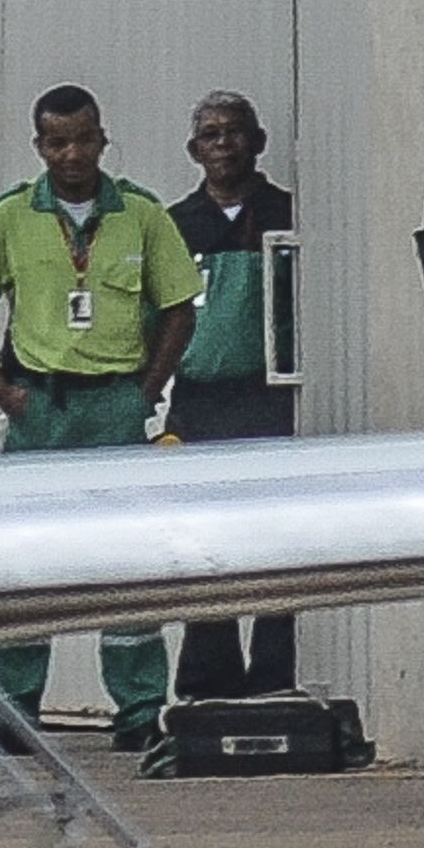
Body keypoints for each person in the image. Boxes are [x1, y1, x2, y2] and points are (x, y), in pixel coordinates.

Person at [0, 84, 201, 758]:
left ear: (102, 139)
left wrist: (146, 390)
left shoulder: (140, 214)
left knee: (129, 560)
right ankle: (12, 708)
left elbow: (179, 307)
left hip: (115, 406)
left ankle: (139, 708)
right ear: (40, 147)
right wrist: (3, 393)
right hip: (40, 409)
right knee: (26, 562)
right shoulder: (10, 217)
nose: (73, 154)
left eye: (84, 139)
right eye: (58, 142)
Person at [167, 90, 300, 700]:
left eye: (235, 131)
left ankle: (274, 677)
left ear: (259, 141)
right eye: (211, 135)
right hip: (199, 402)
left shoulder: (288, 213)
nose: (224, 144)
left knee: (277, 540)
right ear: (194, 150)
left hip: (270, 400)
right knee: (204, 542)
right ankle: (208, 680)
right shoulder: (174, 224)